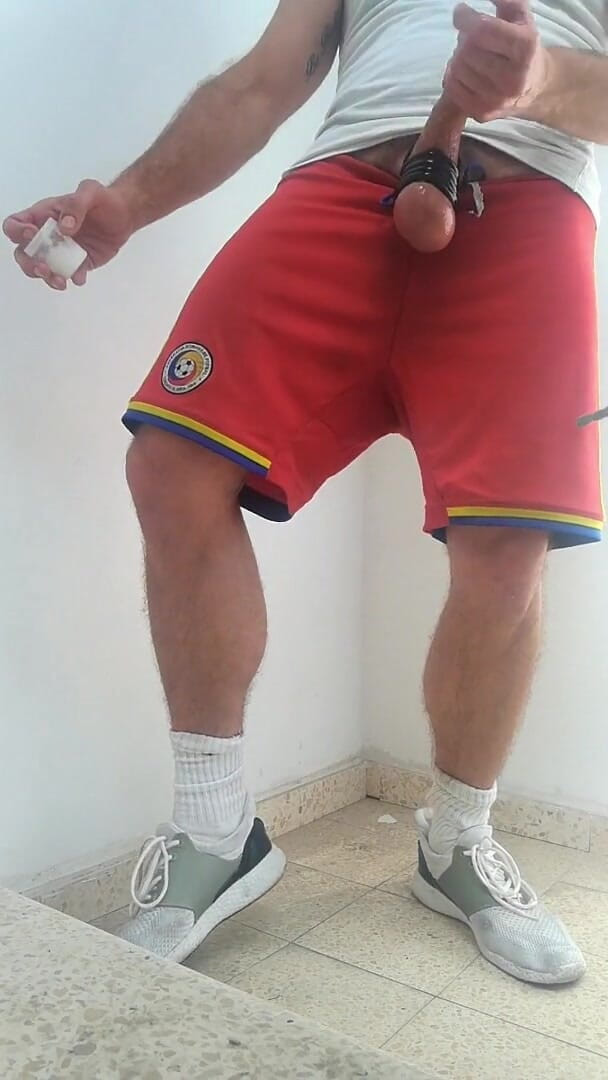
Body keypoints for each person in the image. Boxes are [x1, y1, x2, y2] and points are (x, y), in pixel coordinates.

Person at [5, 0, 607, 984]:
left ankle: (457, 840)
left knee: (507, 540)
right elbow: (264, 77)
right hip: (343, 182)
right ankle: (216, 830)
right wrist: (126, 202)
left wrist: (533, 82)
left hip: (532, 195)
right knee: (171, 458)